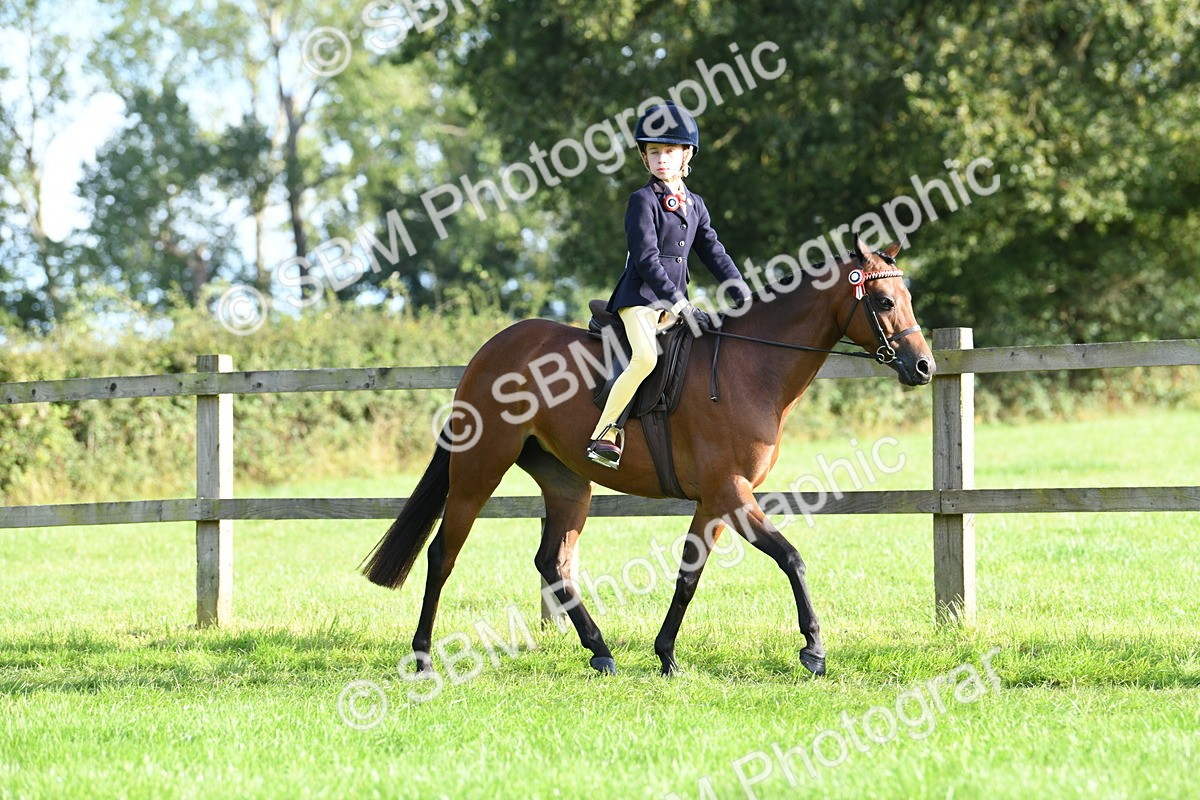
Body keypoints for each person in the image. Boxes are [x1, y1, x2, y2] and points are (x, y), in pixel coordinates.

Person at [585, 102, 751, 469]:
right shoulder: (642, 201)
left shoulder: (695, 204)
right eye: (654, 152)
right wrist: (679, 304)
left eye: (669, 152)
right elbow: (645, 260)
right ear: (645, 158)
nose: (662, 160)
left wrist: (741, 289)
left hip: (675, 304)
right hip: (641, 299)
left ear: (685, 155)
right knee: (645, 358)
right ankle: (603, 434)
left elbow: (713, 252)